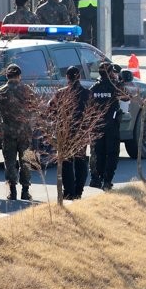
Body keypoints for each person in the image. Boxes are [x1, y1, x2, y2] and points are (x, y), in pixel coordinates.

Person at [0, 64, 37, 201]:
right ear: (19, 76)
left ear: (7, 76)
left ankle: (12, 191)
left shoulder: (0, 91)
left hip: (8, 133)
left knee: (10, 162)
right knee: (25, 161)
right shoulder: (27, 90)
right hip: (25, 132)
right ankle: (25, 190)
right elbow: (35, 109)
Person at [54, 66, 90, 200]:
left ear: (67, 77)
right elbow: (94, 113)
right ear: (79, 77)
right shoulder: (87, 94)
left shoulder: (61, 93)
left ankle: (69, 192)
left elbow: (51, 110)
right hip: (81, 132)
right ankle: (79, 191)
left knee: (66, 162)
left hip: (66, 133)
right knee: (81, 161)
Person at [89, 63, 123, 191]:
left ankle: (98, 178)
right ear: (110, 73)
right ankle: (107, 181)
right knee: (112, 153)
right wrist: (119, 80)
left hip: (97, 126)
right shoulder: (115, 86)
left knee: (99, 153)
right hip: (111, 126)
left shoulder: (94, 88)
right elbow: (126, 97)